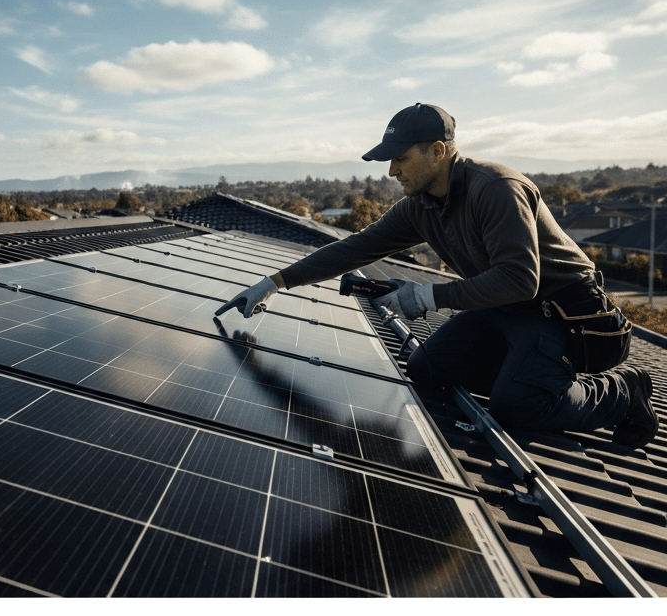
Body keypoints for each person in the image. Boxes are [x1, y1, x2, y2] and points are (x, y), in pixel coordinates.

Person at [215, 103, 659, 447]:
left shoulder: (497, 190)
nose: (391, 172)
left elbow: (520, 278)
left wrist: (426, 297)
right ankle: (530, 374)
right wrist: (273, 282)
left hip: (565, 317)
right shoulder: (420, 206)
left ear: (438, 151)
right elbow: (356, 247)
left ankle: (626, 390)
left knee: (517, 406)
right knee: (427, 368)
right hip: (504, 311)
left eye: (400, 159)